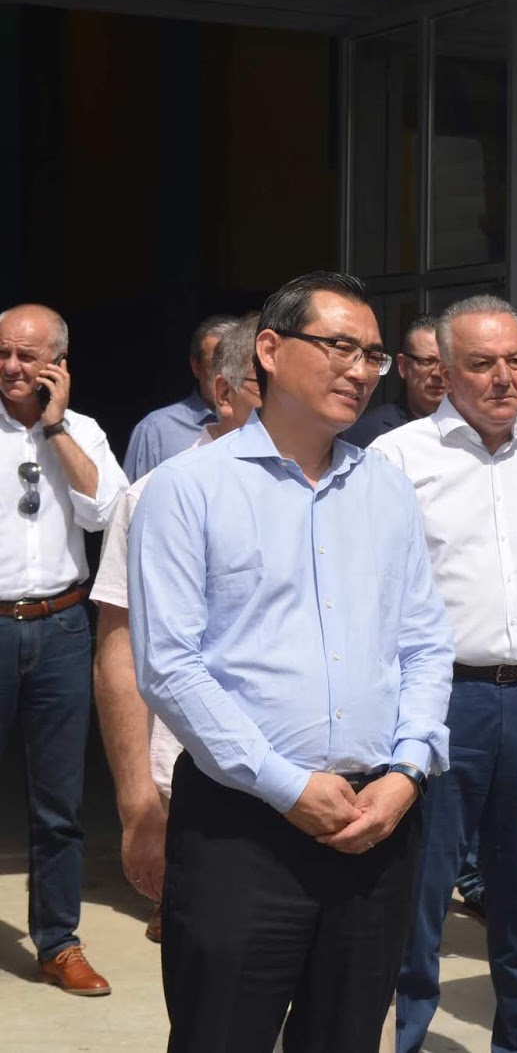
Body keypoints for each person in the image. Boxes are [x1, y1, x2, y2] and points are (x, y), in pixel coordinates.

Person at [128, 272, 455, 1052]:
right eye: (339, 346)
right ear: (269, 351)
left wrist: (409, 770)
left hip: (375, 824)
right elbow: (170, 666)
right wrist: (286, 784)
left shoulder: (386, 488)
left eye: (372, 354)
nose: (360, 369)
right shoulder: (187, 490)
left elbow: (424, 643)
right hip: (242, 829)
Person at [376, 295, 517, 1053]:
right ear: (443, 372)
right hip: (439, 701)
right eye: (482, 363)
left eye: (515, 360)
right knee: (419, 897)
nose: (503, 377)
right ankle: (404, 1038)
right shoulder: (398, 459)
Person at [90, 314, 262, 944]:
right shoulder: (154, 497)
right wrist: (138, 805)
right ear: (224, 393)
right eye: (271, 388)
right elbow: (120, 655)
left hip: (326, 786)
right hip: (196, 787)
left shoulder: (347, 490)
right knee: (216, 976)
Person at [0, 302, 128, 995]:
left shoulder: (83, 431)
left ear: (59, 365)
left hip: (59, 626)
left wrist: (54, 430)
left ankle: (58, 942)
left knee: (59, 801)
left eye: (27, 355)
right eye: (3, 353)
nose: (12, 366)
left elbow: (106, 511)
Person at [123, 314, 234, 480]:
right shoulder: (155, 431)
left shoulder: (261, 424)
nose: (225, 376)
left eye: (234, 365)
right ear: (196, 367)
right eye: (216, 365)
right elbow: (133, 496)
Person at [344, 314, 447, 447]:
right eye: (427, 361)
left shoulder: (471, 428)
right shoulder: (367, 433)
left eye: (446, 363)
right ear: (403, 366)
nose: (438, 373)